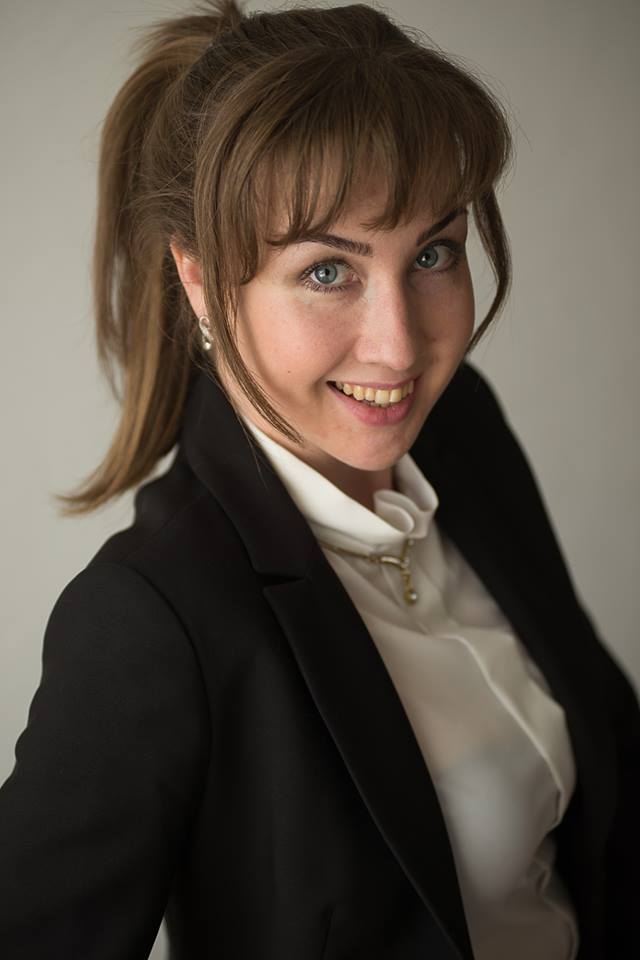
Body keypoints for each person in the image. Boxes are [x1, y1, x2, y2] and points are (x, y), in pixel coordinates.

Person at [0, 0, 638, 957]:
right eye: (328, 272)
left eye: (433, 254)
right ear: (201, 281)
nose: (401, 346)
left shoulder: (463, 434)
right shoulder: (149, 620)